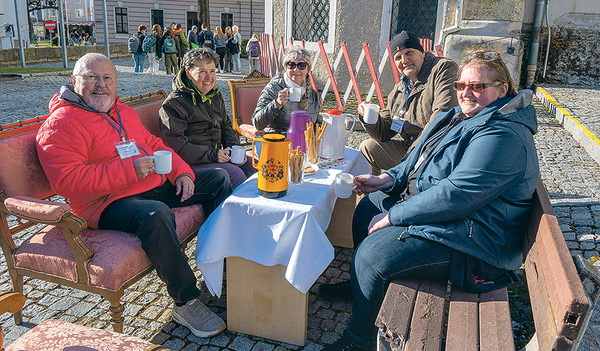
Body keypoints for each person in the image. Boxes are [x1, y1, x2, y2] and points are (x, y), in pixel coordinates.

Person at [321, 51, 539, 351]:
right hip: (452, 219)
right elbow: (415, 160)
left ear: (502, 90)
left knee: (372, 256)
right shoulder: (456, 116)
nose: (466, 93)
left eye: (477, 87)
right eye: (461, 86)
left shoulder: (502, 134)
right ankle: (363, 289)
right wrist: (388, 179)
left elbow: (456, 194)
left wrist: (395, 215)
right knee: (368, 207)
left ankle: (357, 341)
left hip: (475, 241)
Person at [36, 53, 233, 338]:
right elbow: (67, 183)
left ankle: (223, 260)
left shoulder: (122, 111)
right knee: (155, 213)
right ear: (74, 81)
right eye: (92, 77)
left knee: (218, 177)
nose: (100, 85)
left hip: (150, 185)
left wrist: (182, 172)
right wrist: (129, 170)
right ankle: (186, 300)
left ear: (116, 83)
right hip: (105, 203)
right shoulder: (62, 123)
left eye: (107, 78)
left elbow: (153, 143)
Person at [357, 31, 458, 175]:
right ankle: (371, 195)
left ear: (422, 53)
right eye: (398, 57)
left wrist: (412, 155)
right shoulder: (402, 87)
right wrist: (367, 116)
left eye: (409, 53)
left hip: (436, 152)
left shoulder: (442, 69)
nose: (404, 60)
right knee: (368, 148)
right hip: (410, 151)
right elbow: (384, 131)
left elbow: (442, 117)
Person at [159, 48, 256, 189]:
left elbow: (226, 126)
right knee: (236, 175)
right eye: (202, 72)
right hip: (191, 163)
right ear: (188, 73)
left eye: (212, 71)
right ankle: (230, 210)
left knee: (254, 169)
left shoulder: (215, 95)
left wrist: (235, 149)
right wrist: (212, 155)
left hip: (215, 156)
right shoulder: (174, 104)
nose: (209, 77)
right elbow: (177, 146)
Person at [252, 46, 321, 134]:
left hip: (303, 143)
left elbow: (317, 124)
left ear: (308, 69)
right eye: (291, 65)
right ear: (286, 68)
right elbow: (257, 124)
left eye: (301, 66)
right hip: (277, 141)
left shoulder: (312, 94)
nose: (296, 70)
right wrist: (277, 104)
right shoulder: (273, 88)